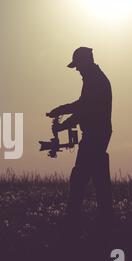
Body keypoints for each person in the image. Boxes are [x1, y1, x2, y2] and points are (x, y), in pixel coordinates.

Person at [48, 47, 113, 238]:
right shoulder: (94, 79)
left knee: (79, 179)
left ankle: (72, 227)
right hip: (97, 135)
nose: (77, 70)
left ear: (86, 62)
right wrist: (63, 113)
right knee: (99, 180)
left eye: (78, 65)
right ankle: (105, 225)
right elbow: (83, 106)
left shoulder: (95, 81)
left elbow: (84, 109)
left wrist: (62, 115)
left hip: (95, 135)